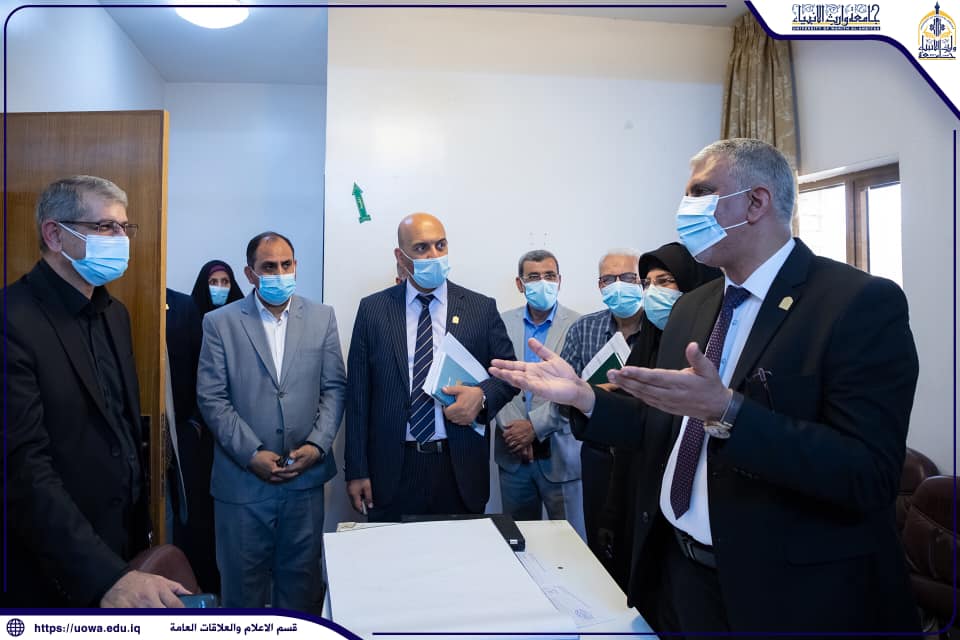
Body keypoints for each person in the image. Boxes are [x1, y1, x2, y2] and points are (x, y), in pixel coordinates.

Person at [490, 138, 920, 633]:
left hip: (785, 593)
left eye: (700, 193)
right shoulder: (694, 306)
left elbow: (868, 473)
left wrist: (728, 412)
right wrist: (584, 398)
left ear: (756, 202)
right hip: (678, 574)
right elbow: (660, 425)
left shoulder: (856, 304)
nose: (685, 209)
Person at [5, 175, 188, 607]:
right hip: (56, 566)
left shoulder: (115, 314)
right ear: (55, 235)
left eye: (124, 227)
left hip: (122, 548)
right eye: (105, 227)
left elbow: (121, 431)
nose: (120, 239)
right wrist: (105, 576)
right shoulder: (12, 320)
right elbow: (23, 471)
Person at [196, 231, 346, 611]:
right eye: (269, 267)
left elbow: (334, 388)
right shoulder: (219, 323)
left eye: (286, 265)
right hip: (242, 484)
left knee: (301, 591)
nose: (279, 273)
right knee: (242, 593)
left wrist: (317, 445)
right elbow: (212, 398)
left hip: (304, 482)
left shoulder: (322, 317)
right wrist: (252, 453)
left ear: (295, 266)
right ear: (250, 273)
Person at [345, 213, 518, 521]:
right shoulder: (373, 310)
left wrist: (481, 397)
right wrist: (356, 469)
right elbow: (358, 396)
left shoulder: (480, 308)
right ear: (401, 257)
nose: (434, 255)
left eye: (440, 245)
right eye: (421, 248)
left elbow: (509, 376)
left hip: (459, 467)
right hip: (392, 469)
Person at [595, 242, 720, 615]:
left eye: (665, 282)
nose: (653, 293)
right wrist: (589, 399)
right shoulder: (651, 342)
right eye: (648, 284)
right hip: (645, 500)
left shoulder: (714, 345)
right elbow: (638, 430)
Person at [556, 249, 645, 561]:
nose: (618, 285)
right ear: (599, 285)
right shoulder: (583, 329)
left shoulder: (663, 328)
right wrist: (591, 396)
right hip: (598, 456)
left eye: (627, 278)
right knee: (600, 542)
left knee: (640, 546)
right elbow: (562, 399)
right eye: (609, 279)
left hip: (643, 455)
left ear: (641, 282)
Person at [494, 250, 584, 539]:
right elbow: (494, 377)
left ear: (559, 280)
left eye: (549, 275)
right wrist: (515, 431)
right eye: (533, 277)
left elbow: (579, 388)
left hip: (561, 457)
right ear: (520, 284)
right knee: (519, 541)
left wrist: (534, 427)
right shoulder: (499, 322)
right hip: (513, 456)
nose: (542, 282)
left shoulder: (580, 325)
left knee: (571, 545)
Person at [165, 287, 219, 595]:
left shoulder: (183, 307)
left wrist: (195, 425)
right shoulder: (120, 308)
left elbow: (205, 375)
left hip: (189, 437)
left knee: (193, 520)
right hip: (152, 438)